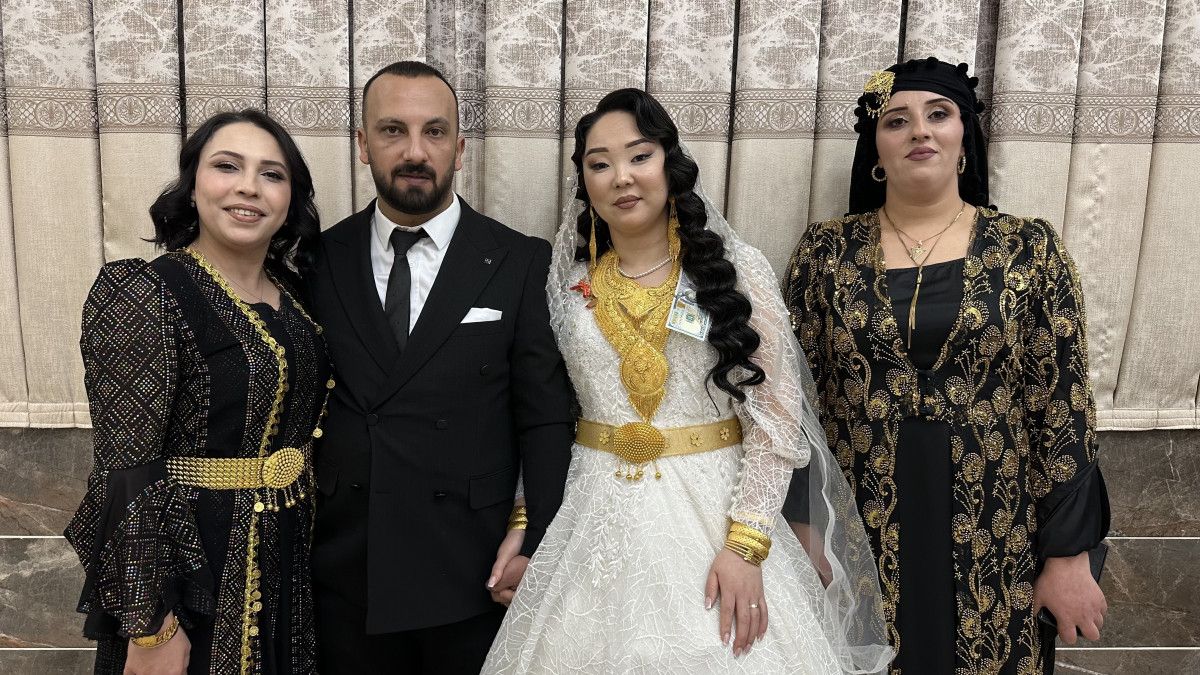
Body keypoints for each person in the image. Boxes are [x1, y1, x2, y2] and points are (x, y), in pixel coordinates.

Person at [483, 88, 891, 674]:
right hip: (590, 516)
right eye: (600, 164)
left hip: (714, 516)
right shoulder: (564, 286)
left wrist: (746, 546)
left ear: (670, 164)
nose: (622, 177)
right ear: (584, 182)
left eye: (639, 156)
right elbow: (545, 416)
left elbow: (775, 418)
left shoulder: (735, 272)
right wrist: (526, 520)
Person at [782, 57, 1110, 674]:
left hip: (997, 530)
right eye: (896, 121)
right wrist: (804, 530)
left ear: (965, 138)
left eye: (939, 114)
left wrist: (1068, 557)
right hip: (861, 528)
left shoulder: (1028, 249)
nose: (920, 131)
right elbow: (796, 404)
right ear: (876, 150)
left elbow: (1064, 407)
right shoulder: (825, 254)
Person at [307, 60, 574, 674]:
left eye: (434, 131)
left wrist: (537, 540)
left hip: (474, 567)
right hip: (348, 568)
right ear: (362, 144)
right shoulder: (317, 259)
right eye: (392, 130)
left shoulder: (519, 260)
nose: (414, 152)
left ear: (460, 147)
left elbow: (544, 419)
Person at [65, 109, 328, 675]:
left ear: (290, 200)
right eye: (227, 166)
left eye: (272, 174)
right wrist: (151, 626)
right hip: (193, 567)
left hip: (290, 559)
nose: (248, 187)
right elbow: (126, 471)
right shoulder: (144, 293)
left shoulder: (298, 297)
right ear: (191, 186)